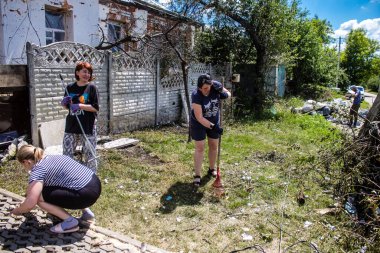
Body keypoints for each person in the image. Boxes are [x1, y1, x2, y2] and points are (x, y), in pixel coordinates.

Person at [10, 145, 101, 234]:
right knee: (69, 184)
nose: (24, 167)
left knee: (39, 198)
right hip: (94, 183)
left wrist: (18, 210)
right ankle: (87, 214)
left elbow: (31, 203)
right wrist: (26, 201)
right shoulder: (53, 157)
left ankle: (70, 222)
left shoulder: (39, 170)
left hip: (86, 195)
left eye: (22, 165)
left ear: (26, 162)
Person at [190, 74, 231, 187]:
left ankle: (211, 169)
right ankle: (197, 176)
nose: (205, 90)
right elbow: (199, 117)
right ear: (199, 87)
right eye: (203, 88)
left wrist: (224, 94)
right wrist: (215, 127)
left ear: (211, 84)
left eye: (207, 87)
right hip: (199, 124)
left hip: (214, 119)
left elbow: (229, 94)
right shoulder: (196, 95)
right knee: (200, 147)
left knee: (213, 145)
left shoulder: (216, 85)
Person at [61, 61, 99, 171]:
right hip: (72, 125)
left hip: (87, 126)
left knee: (89, 154)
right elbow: (67, 107)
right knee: (67, 153)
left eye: (89, 73)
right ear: (77, 72)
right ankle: (68, 174)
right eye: (84, 72)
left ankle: (91, 177)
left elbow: (95, 107)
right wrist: (64, 103)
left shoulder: (92, 88)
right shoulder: (69, 87)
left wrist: (80, 105)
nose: (87, 75)